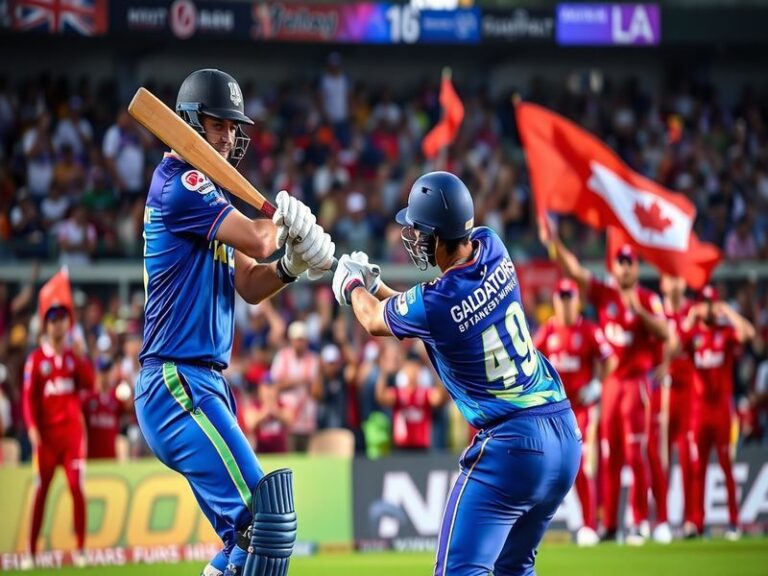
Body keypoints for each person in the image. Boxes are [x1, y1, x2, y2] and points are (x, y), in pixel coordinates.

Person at [134, 68, 334, 576]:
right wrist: (284, 222)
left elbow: (248, 282)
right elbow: (260, 240)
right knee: (266, 518)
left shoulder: (209, 194)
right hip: (176, 380)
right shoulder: (183, 182)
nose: (228, 136)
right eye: (217, 123)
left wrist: (290, 268)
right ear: (187, 121)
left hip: (200, 382)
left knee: (245, 537)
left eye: (232, 127)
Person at [333, 171, 580, 575]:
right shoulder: (492, 245)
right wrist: (376, 286)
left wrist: (351, 287)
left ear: (435, 236)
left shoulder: (438, 302)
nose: (411, 238)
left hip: (512, 446)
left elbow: (376, 321)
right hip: (563, 435)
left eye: (417, 231)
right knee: (513, 570)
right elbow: (429, 312)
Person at [542, 230, 669, 544]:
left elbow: (666, 332)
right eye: (620, 262)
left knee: (636, 452)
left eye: (629, 262)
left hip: (636, 383)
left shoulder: (648, 300)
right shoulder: (604, 294)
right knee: (609, 454)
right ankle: (610, 524)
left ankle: (640, 521)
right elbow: (574, 271)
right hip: (611, 388)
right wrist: (554, 241)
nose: (624, 268)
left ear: (636, 268)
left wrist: (640, 313)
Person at [533, 278, 616, 546]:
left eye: (570, 297)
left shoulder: (589, 330)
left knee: (583, 465)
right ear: (555, 301)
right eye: (561, 297)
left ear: (577, 301)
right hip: (554, 413)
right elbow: (530, 360)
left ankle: (590, 524)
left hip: (581, 410)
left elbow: (610, 360)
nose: (566, 303)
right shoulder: (548, 332)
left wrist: (597, 385)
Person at [22, 300, 93, 570]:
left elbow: (88, 382)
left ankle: (81, 551)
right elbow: (28, 400)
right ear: (46, 325)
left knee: (77, 488)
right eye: (53, 319)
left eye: (62, 319)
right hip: (47, 440)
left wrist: (82, 356)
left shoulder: (73, 356)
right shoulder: (37, 360)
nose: (58, 324)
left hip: (72, 437)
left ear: (67, 324)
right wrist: (31, 428)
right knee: (41, 492)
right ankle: (30, 552)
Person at [684, 285, 755, 540]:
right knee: (696, 469)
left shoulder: (725, 333)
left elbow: (749, 333)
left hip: (722, 412)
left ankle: (734, 521)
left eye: (713, 303)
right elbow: (671, 344)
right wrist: (689, 318)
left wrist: (729, 312)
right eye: (704, 303)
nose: (709, 308)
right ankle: (696, 523)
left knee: (727, 466)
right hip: (698, 412)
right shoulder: (692, 336)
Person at [656, 274, 701, 538]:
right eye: (669, 279)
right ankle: (661, 519)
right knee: (657, 457)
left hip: (687, 395)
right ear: (663, 284)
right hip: (662, 394)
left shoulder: (691, 314)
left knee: (688, 458)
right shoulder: (658, 314)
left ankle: (691, 520)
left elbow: (691, 346)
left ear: (684, 283)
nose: (674, 283)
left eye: (678, 279)